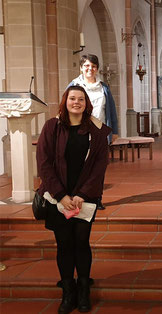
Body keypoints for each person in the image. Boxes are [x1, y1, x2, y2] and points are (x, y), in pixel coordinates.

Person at [36, 86, 111, 313]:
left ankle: (84, 289)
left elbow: (99, 166)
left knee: (81, 242)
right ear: (65, 101)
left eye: (80, 99)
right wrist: (61, 195)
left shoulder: (95, 130)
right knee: (64, 244)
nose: (76, 102)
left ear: (86, 103)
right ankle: (68, 292)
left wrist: (81, 195)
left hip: (84, 197)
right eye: (72, 98)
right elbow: (44, 163)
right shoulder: (52, 126)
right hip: (57, 196)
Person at [69, 54, 118, 210]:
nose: (90, 69)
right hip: (78, 131)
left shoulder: (103, 87)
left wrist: (114, 130)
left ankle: (97, 198)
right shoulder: (74, 85)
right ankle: (79, 198)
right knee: (79, 166)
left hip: (99, 131)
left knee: (99, 167)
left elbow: (111, 110)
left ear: (97, 69)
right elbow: (65, 107)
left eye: (94, 66)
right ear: (81, 68)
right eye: (87, 66)